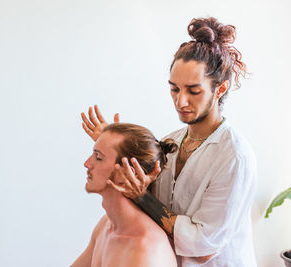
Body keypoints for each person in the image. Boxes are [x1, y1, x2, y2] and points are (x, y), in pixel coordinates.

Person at [81, 17, 257, 266]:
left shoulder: (234, 157)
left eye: (193, 91)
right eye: (174, 89)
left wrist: (143, 197)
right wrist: (112, 147)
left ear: (220, 89)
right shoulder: (170, 143)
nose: (180, 101)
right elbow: (133, 189)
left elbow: (203, 247)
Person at [72, 123, 177, 267]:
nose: (87, 164)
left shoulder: (145, 250)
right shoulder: (107, 225)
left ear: (126, 174)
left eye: (98, 157)